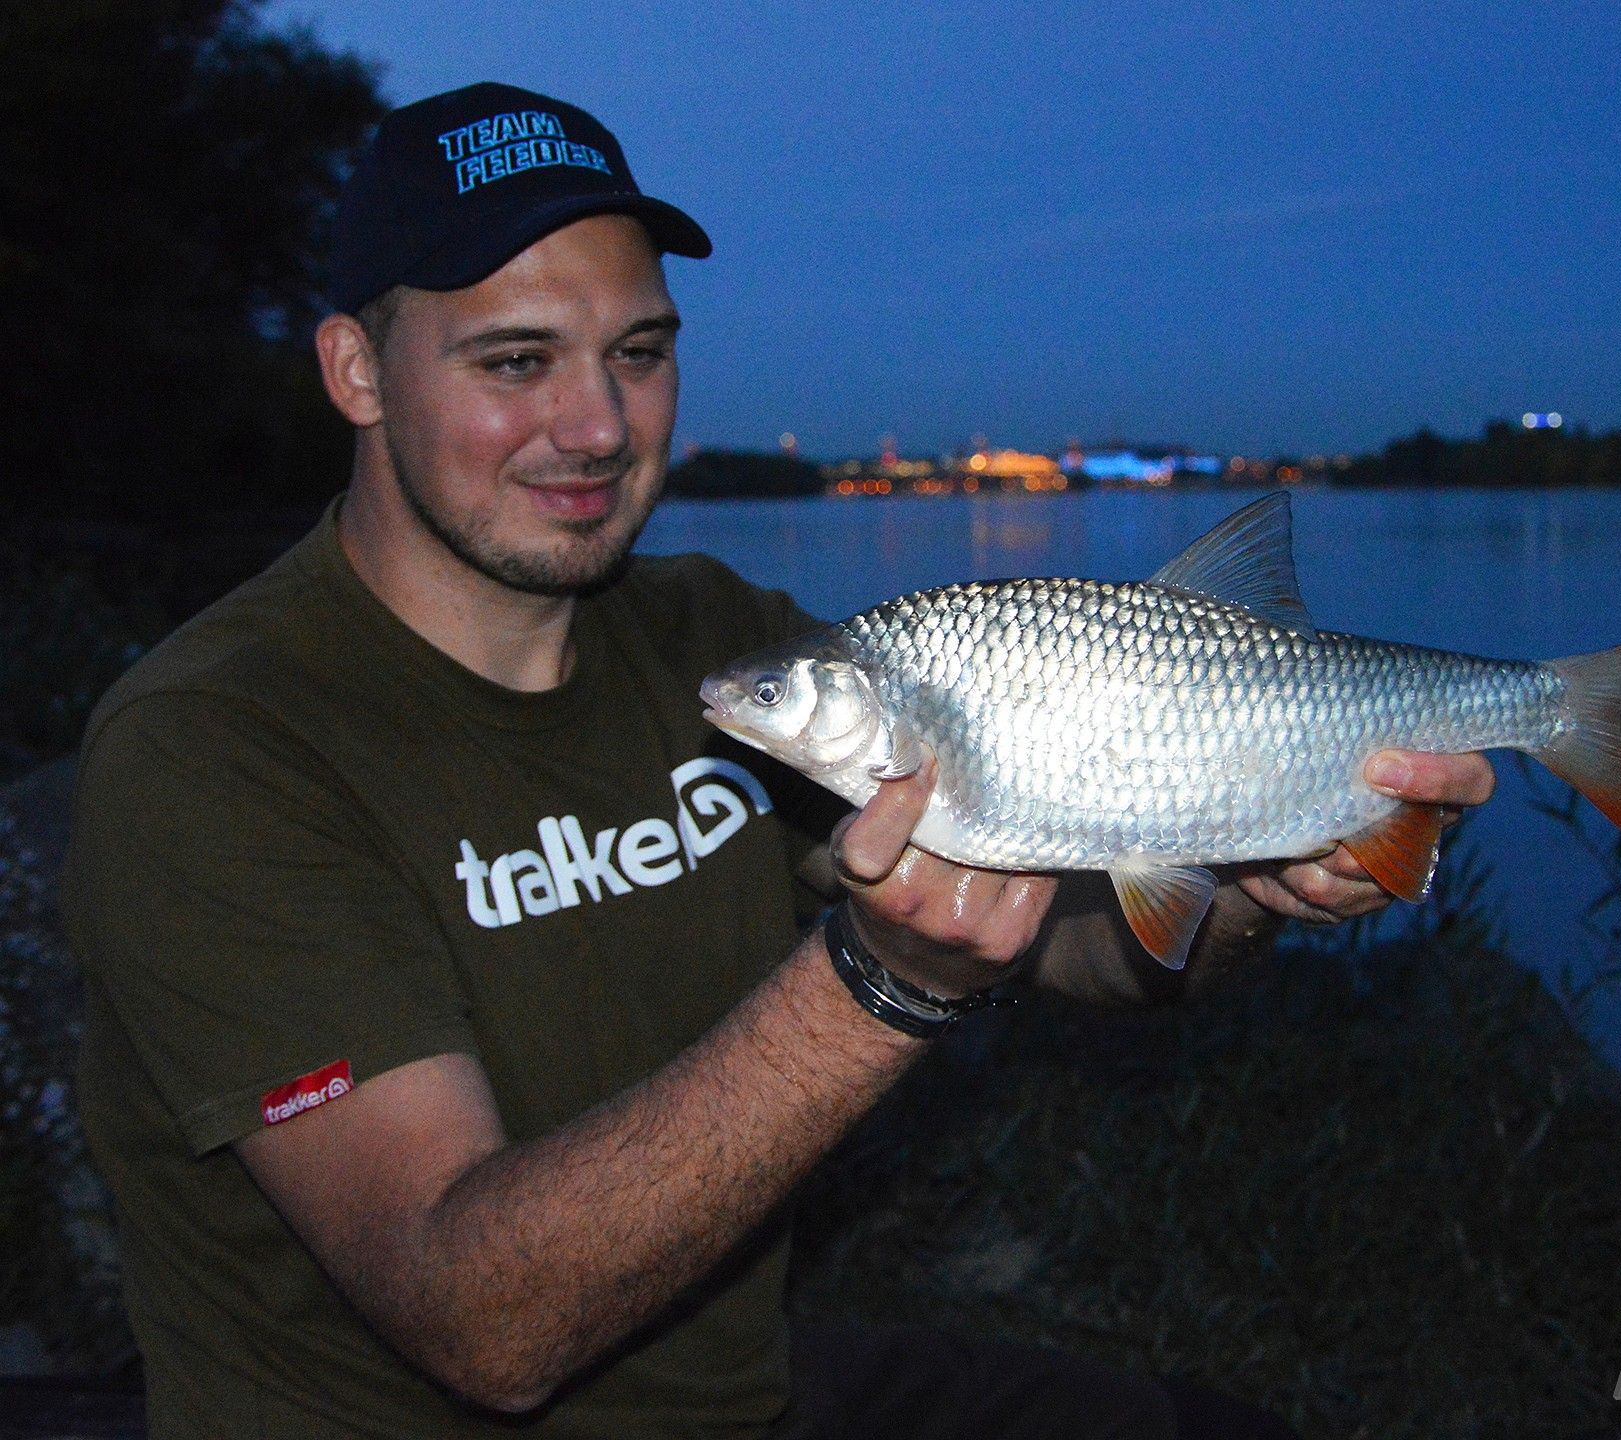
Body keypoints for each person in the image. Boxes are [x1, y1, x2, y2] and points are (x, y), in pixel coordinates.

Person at [64, 82, 1494, 1438]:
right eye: (516, 362)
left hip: (748, 1395)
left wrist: (1247, 881)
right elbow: (477, 1320)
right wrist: (878, 991)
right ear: (356, 371)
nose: (599, 428)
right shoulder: (215, 747)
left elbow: (1067, 947)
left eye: (640, 352)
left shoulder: (717, 638)